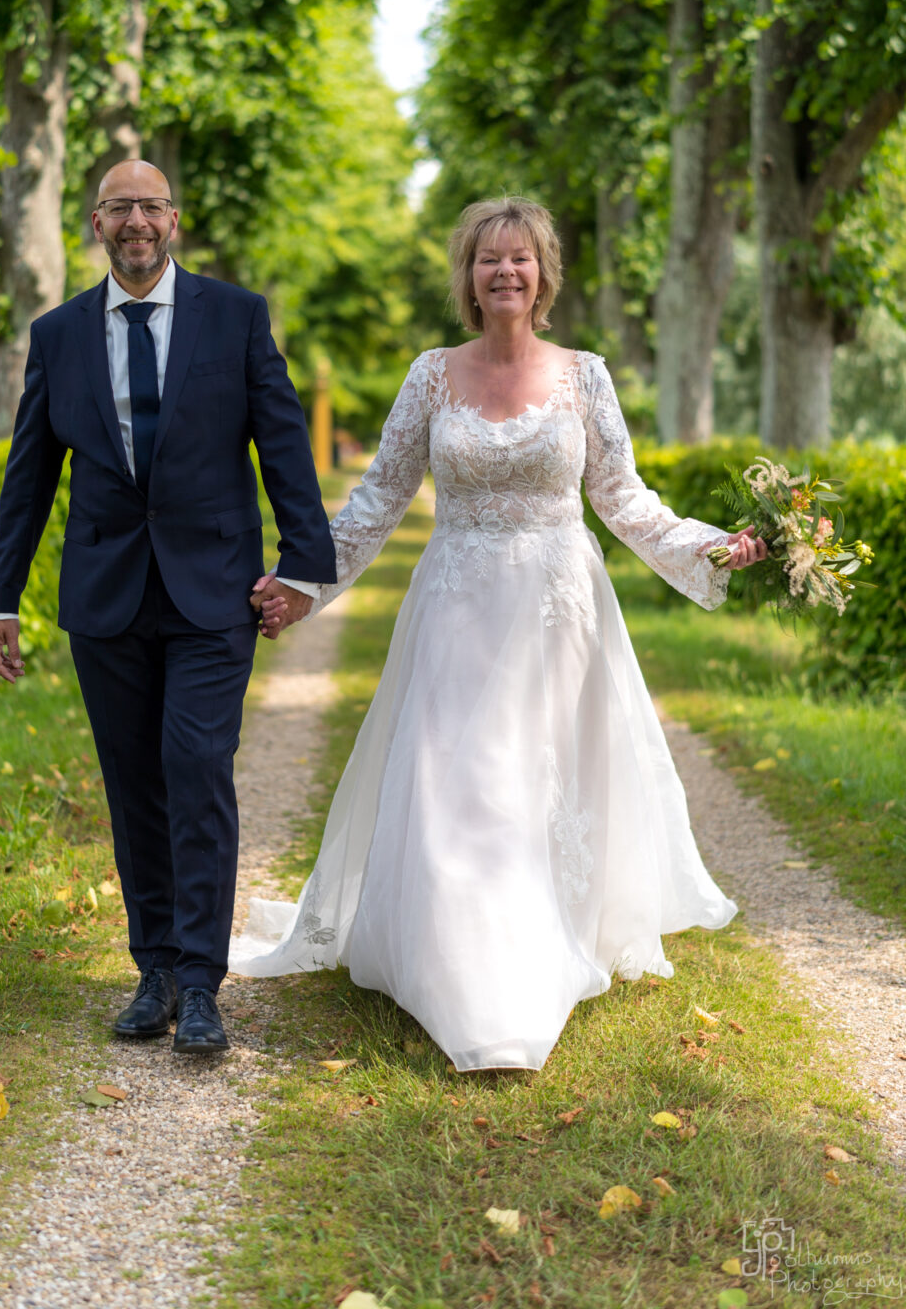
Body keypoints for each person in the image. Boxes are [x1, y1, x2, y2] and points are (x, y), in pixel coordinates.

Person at [236, 197, 764, 1072]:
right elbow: (378, 497)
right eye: (489, 258)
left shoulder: (586, 376)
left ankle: (542, 942)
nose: (506, 271)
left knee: (539, 780)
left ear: (543, 274)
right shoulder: (431, 376)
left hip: (558, 610)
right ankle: (464, 971)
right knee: (459, 778)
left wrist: (709, 547)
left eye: (520, 257)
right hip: (457, 608)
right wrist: (302, 583)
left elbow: (624, 499)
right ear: (470, 278)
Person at [0, 160, 335, 1055]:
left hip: (214, 588)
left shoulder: (236, 315)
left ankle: (201, 981)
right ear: (97, 224)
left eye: (150, 205)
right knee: (133, 780)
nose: (136, 221)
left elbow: (282, 440)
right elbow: (28, 478)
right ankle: (154, 972)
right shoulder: (58, 334)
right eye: (119, 208)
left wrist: (303, 569)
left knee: (196, 765)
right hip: (106, 596)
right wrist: (1, 600)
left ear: (173, 219)